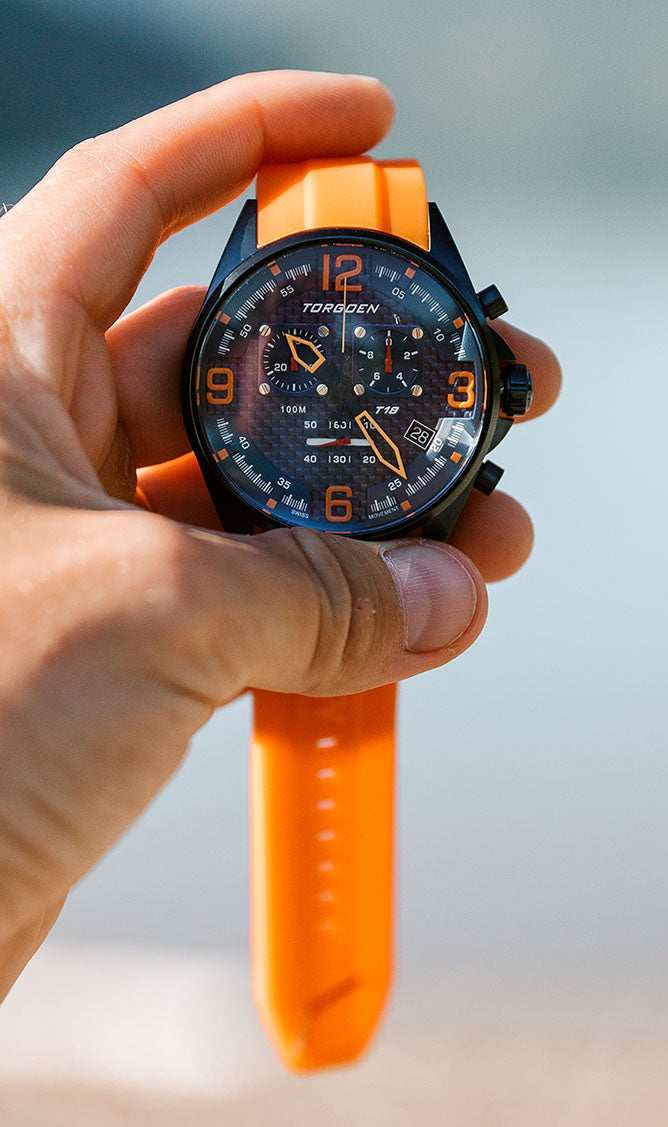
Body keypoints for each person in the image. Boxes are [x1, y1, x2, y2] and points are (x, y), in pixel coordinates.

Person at [0, 70, 561, 1001]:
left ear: (488, 398)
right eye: (303, 363)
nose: (336, 388)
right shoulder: (417, 376)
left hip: (322, 485)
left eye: (357, 377)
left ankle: (323, 999)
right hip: (312, 490)